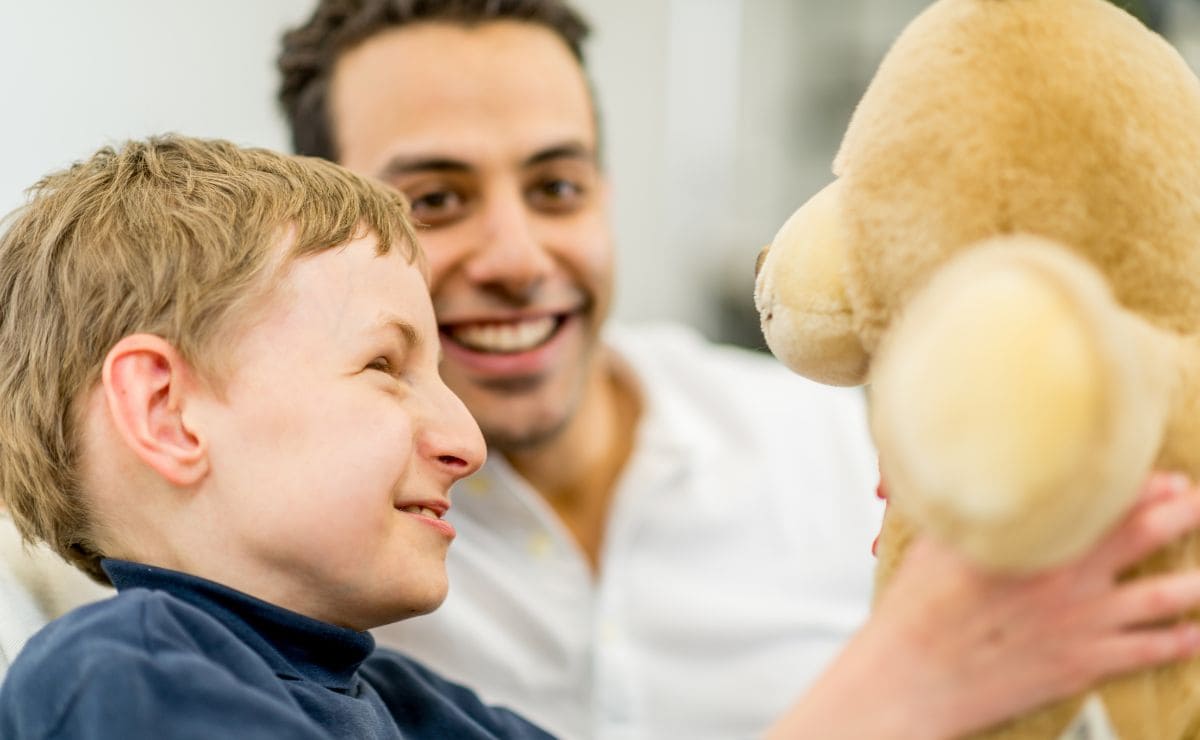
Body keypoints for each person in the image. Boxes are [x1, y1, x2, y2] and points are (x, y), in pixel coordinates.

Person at [276, 2, 1200, 738]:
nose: (519, 256)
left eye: (557, 187)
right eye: (436, 200)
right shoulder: (301, 546)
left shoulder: (819, 432)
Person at [0, 134, 552, 738]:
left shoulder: (418, 705)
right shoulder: (118, 674)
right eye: (384, 367)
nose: (467, 444)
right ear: (166, 412)